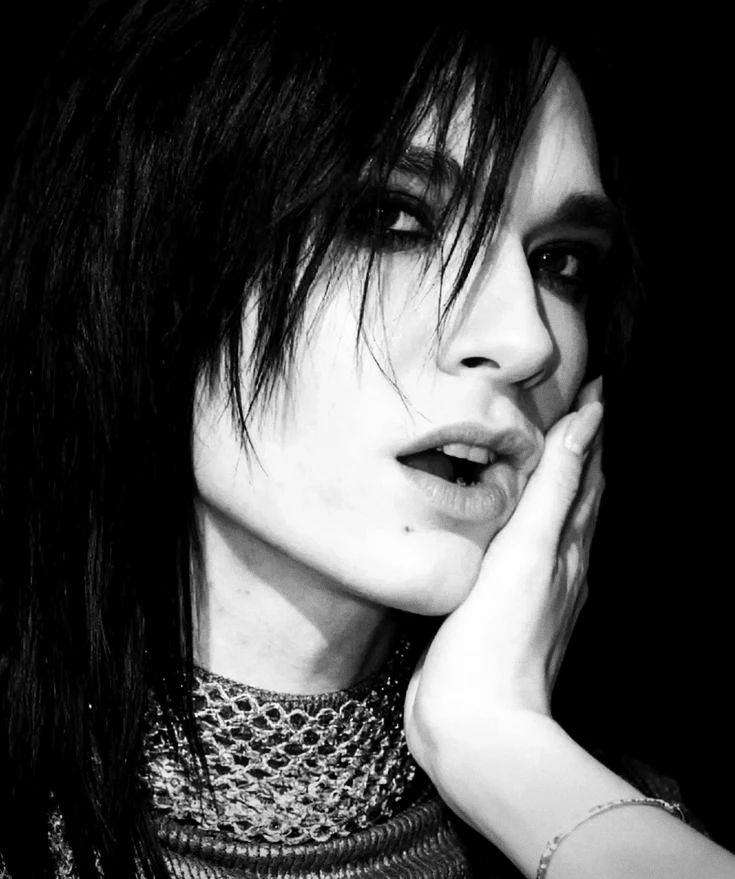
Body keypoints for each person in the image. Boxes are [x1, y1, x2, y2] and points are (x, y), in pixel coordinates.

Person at [1, 2, 730, 877]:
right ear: (145, 249)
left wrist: (505, 753)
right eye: (391, 218)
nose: (526, 339)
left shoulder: (595, 818)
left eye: (558, 260)